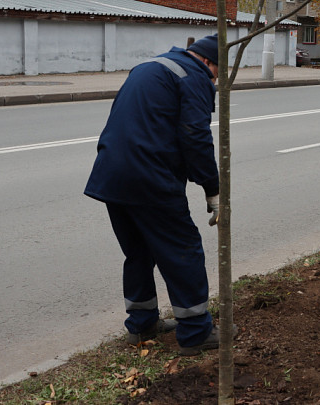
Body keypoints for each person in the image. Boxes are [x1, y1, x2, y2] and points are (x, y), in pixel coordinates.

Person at [84, 34, 225, 356]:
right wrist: (212, 188)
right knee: (183, 250)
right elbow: (195, 135)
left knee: (139, 252)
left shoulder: (149, 67)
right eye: (217, 72)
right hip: (149, 177)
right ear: (207, 61)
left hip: (111, 174)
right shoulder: (192, 76)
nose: (215, 79)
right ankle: (196, 332)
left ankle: (141, 325)